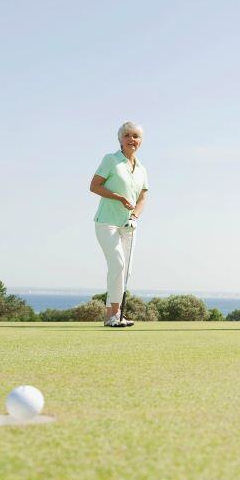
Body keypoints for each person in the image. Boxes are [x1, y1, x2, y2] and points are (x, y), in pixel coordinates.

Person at [89, 121, 149, 327]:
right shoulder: (111, 160)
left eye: (136, 136)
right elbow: (94, 186)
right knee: (117, 264)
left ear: (140, 141)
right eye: (128, 136)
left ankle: (115, 315)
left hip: (128, 225)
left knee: (126, 271)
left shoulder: (141, 169)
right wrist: (119, 198)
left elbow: (142, 198)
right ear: (121, 140)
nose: (132, 139)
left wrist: (134, 217)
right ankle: (112, 316)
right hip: (107, 222)